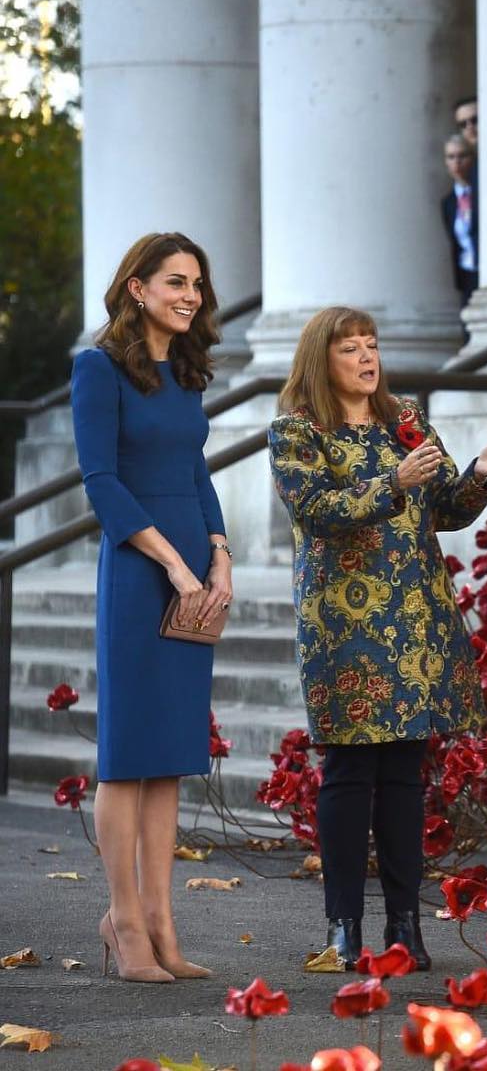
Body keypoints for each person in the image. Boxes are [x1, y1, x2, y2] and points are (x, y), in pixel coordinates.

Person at [268, 306, 487, 970]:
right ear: (321, 360)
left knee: (404, 776)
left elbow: (444, 508)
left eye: (371, 345)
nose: (367, 357)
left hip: (415, 618)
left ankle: (404, 927)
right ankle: (343, 929)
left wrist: (481, 473)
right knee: (349, 771)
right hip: (345, 624)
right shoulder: (297, 431)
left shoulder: (404, 420)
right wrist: (392, 481)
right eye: (350, 348)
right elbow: (316, 510)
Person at [70, 232, 233, 983]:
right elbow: (100, 480)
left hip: (194, 569)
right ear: (137, 288)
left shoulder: (187, 372)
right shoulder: (97, 368)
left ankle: (164, 923)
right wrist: (170, 561)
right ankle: (123, 920)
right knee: (128, 753)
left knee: (170, 755)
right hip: (140, 571)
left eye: (196, 284)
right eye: (176, 282)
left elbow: (194, 471)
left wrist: (219, 552)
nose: (190, 296)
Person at [440, 133, 479, 306]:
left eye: (462, 156)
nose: (457, 162)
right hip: (466, 275)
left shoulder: (483, 195)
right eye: (451, 157)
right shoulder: (448, 203)